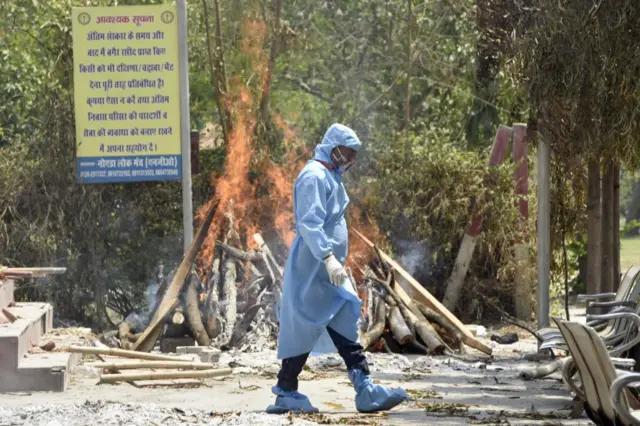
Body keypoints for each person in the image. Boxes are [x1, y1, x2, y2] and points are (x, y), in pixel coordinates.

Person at [266, 123, 408, 415]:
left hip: (324, 269)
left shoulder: (329, 176)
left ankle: (361, 387)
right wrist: (328, 257)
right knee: (311, 324)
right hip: (313, 267)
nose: (352, 159)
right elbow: (309, 222)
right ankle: (289, 391)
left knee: (341, 318)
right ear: (334, 147)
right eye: (349, 152)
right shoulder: (314, 176)